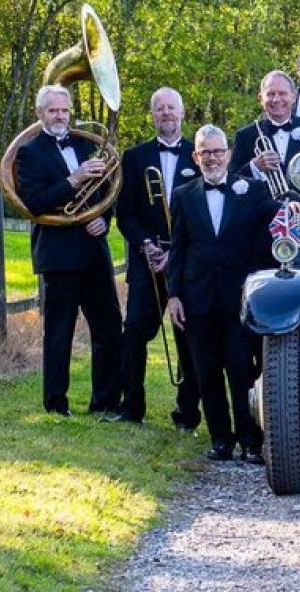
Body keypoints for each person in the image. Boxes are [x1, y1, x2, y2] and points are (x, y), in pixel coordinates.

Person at [165, 125, 300, 464]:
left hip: (240, 298)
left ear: (228, 154)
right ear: (195, 156)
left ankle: (251, 441)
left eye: (218, 151)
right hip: (197, 298)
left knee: (242, 370)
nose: (212, 158)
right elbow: (178, 248)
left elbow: (275, 211)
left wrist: (291, 207)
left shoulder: (252, 190)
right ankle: (221, 440)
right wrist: (174, 296)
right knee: (207, 372)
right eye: (205, 152)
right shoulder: (183, 195)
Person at [13, 84, 122, 417]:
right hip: (59, 254)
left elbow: (108, 190)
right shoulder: (29, 153)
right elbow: (35, 203)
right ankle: (56, 404)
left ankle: (105, 402)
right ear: (40, 114)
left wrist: (103, 218)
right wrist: (74, 179)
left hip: (94, 249)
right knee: (60, 331)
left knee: (108, 326)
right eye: (53, 111)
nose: (60, 116)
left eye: (64, 110)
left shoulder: (85, 144)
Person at [108, 87, 202, 429]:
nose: (166, 113)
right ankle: (131, 407)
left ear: (182, 112)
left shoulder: (199, 154)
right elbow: (125, 213)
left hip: (186, 260)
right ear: (152, 115)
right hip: (147, 259)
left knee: (187, 336)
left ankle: (187, 413)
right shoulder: (134, 157)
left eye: (171, 107)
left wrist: (175, 252)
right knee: (134, 330)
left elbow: (203, 214)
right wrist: (146, 244)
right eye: (159, 108)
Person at [230, 71, 300, 186]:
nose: (276, 99)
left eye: (282, 93)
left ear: (294, 97)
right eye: (270, 94)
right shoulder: (245, 135)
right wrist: (254, 166)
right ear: (261, 99)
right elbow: (232, 179)